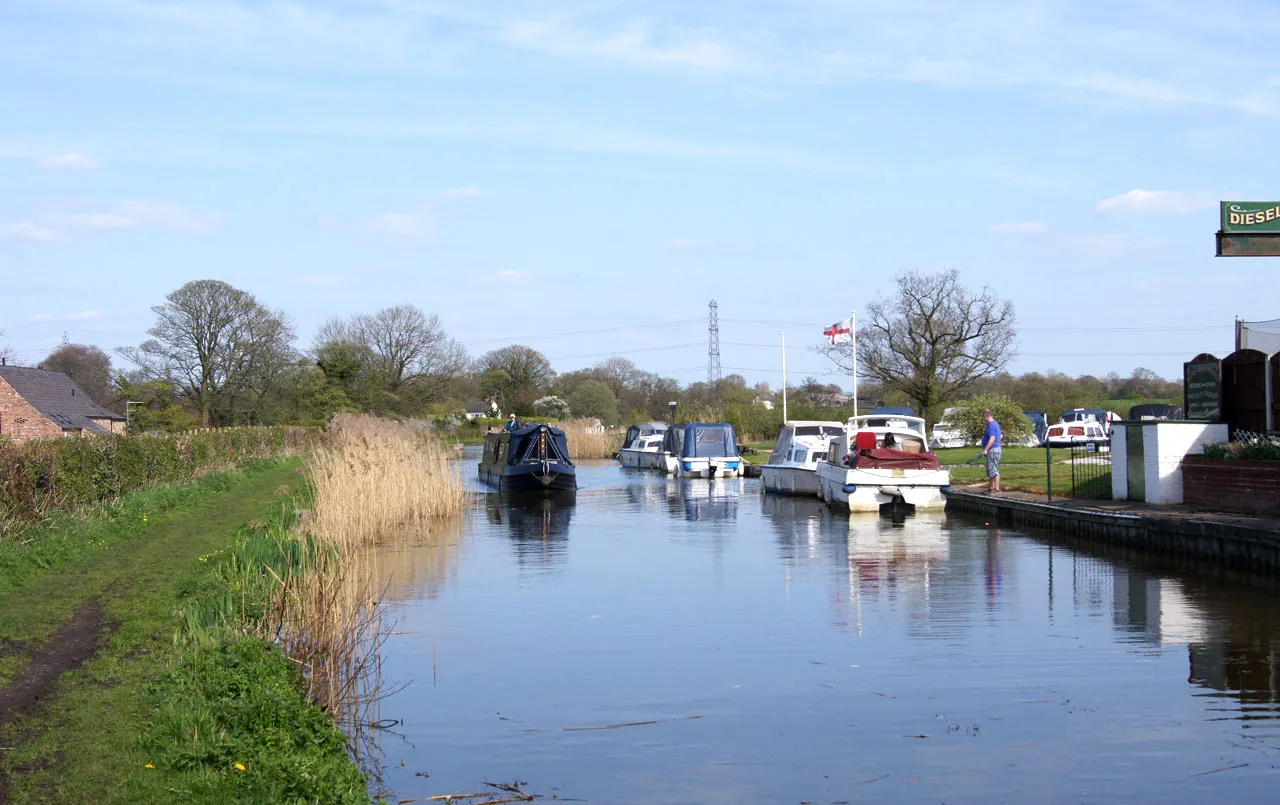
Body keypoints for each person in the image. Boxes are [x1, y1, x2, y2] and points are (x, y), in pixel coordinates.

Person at [981, 408, 1002, 494]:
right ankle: (991, 487)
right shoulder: (995, 424)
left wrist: (985, 449)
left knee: (994, 469)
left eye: (983, 417)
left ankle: (996, 488)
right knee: (990, 468)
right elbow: (1001, 436)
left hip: (993, 450)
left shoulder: (991, 425)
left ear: (986, 416)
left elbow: (992, 438)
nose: (983, 419)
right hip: (994, 449)